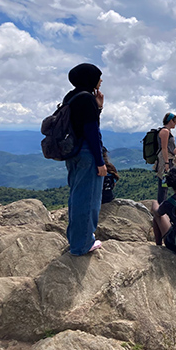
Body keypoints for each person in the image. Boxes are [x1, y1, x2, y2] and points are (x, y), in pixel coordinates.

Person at [63, 63, 106, 255]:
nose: (101, 80)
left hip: (72, 152)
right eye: (99, 77)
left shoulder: (70, 96)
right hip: (87, 153)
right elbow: (91, 132)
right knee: (88, 199)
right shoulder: (87, 98)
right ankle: (83, 244)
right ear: (90, 78)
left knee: (76, 196)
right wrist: (100, 162)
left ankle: (76, 239)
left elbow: (80, 124)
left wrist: (99, 108)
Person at [155, 113, 176, 205]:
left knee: (166, 182)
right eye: (175, 121)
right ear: (170, 121)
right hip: (166, 159)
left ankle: (163, 203)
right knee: (164, 183)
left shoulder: (166, 131)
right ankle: (162, 205)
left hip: (167, 159)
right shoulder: (165, 132)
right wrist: (166, 163)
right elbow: (164, 148)